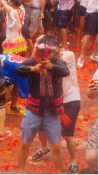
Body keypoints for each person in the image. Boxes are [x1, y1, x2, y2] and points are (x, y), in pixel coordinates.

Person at [15, 37, 70, 174]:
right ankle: (20, 171)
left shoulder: (57, 61)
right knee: (25, 143)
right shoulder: (33, 61)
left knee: (56, 146)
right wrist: (31, 69)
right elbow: (19, 69)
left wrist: (53, 67)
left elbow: (65, 71)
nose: (46, 55)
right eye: (43, 52)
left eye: (49, 52)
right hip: (33, 109)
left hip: (52, 111)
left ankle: (59, 172)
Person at [31, 47, 81, 173]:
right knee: (41, 126)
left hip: (70, 99)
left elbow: (60, 65)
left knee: (67, 134)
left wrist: (46, 61)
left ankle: (73, 161)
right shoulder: (43, 60)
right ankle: (44, 149)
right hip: (52, 100)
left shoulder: (68, 55)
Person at [77, 0, 98, 68]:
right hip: (93, 12)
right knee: (88, 35)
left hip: (93, 11)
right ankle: (81, 57)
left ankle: (95, 55)